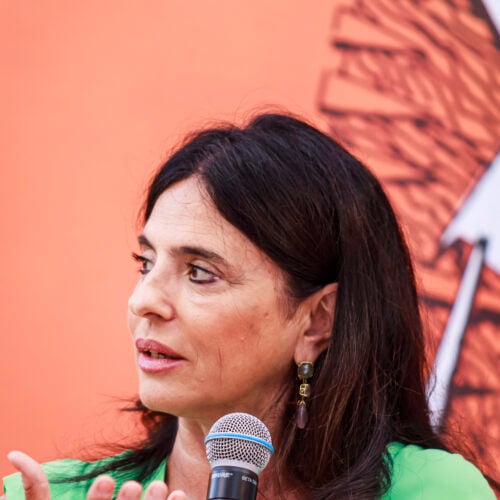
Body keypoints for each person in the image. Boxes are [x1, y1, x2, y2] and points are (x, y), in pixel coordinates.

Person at [3, 113, 496, 499]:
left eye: (201, 273)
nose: (143, 301)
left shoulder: (430, 492)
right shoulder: (43, 494)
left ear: (317, 320)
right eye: (146, 263)